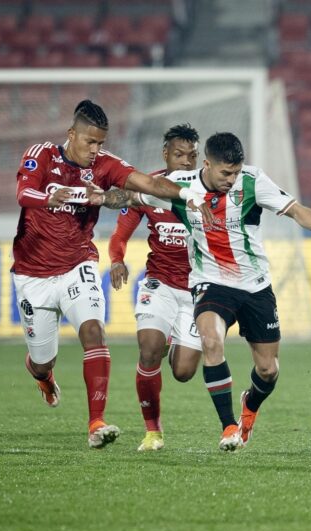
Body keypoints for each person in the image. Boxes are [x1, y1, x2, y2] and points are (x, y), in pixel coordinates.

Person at [12, 100, 207, 449]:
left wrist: (186, 195)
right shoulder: (41, 154)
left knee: (94, 331)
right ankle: (42, 375)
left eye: (100, 143)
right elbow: (24, 194)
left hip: (78, 265)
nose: (95, 150)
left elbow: (146, 184)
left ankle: (96, 423)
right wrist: (55, 196)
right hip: (33, 273)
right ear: (72, 134)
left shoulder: (105, 165)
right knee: (43, 359)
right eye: (89, 142)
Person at [137, 132, 311, 451]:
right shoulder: (182, 183)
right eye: (225, 173)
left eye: (236, 171)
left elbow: (295, 209)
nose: (232, 179)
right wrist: (98, 191)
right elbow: (135, 190)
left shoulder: (252, 180)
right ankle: (228, 427)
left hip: (255, 286)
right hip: (212, 283)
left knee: (268, 369)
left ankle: (250, 404)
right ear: (207, 164)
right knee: (211, 341)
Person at [108, 124, 203, 452]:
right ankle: (153, 432)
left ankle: (174, 338)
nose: (187, 162)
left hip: (197, 291)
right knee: (148, 349)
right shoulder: (147, 188)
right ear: (166, 155)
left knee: (183, 372)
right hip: (159, 283)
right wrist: (117, 259)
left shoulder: (208, 191)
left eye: (193, 156)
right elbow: (120, 233)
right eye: (179, 155)